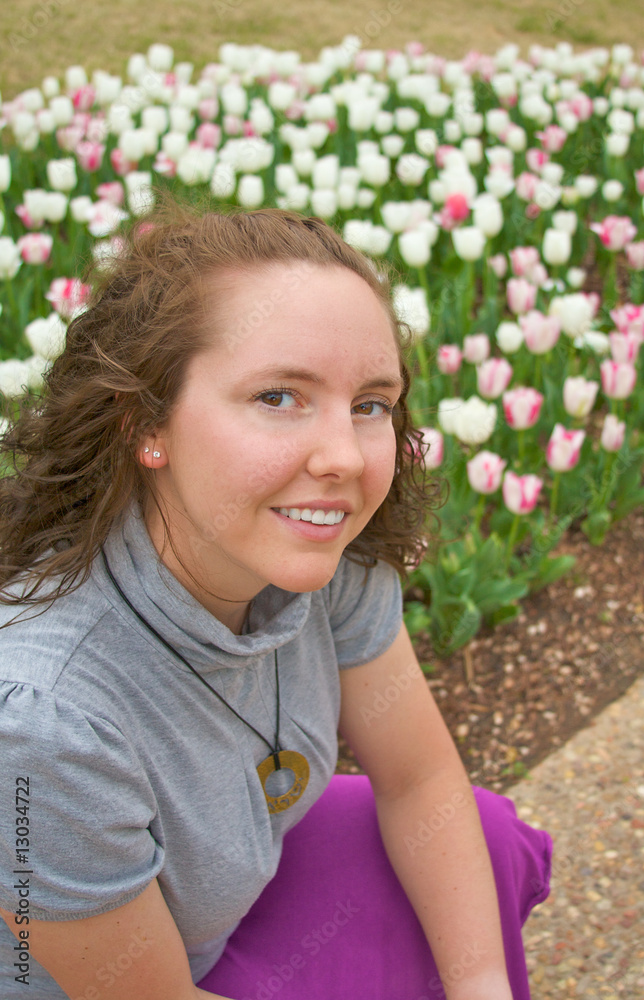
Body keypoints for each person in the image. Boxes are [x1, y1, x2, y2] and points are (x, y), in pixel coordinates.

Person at [0, 203, 551, 1000]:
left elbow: (420, 781)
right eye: (277, 397)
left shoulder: (317, 553)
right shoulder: (44, 720)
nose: (342, 459)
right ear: (146, 423)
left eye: (369, 404)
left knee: (480, 835)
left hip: (222, 910)